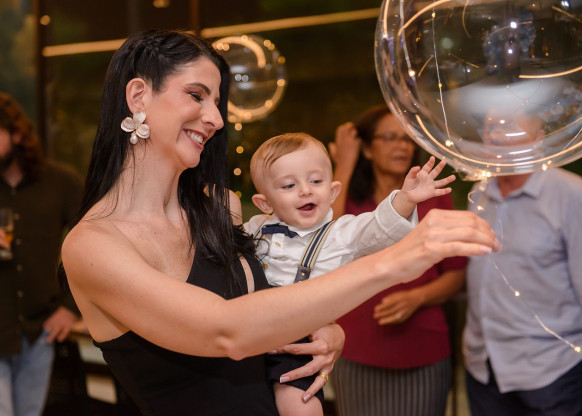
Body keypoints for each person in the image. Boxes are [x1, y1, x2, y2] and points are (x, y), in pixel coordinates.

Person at [60, 29, 500, 416]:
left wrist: (322, 330)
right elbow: (227, 331)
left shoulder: (220, 207)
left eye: (217, 102)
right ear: (139, 96)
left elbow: (270, 304)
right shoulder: (93, 245)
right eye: (196, 95)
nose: (215, 118)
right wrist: (395, 262)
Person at [244, 132, 454, 416]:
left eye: (315, 181)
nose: (305, 191)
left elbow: (379, 226)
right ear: (265, 203)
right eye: (289, 185)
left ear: (333, 192)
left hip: (296, 342)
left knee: (299, 405)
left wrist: (406, 199)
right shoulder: (254, 228)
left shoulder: (341, 234)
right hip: (248, 334)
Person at [328, 105, 468, 416]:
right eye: (390, 138)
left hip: (422, 348)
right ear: (367, 149)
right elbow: (325, 241)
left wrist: (417, 297)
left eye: (407, 139)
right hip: (356, 346)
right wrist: (345, 163)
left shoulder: (434, 197)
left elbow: (456, 275)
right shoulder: (351, 198)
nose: (402, 146)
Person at [463, 113, 582, 415]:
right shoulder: (479, 194)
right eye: (490, 126)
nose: (496, 135)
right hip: (482, 367)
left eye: (510, 125)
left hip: (552, 370)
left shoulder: (572, 194)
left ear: (540, 138)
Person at [0, 92, 83, 416]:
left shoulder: (60, 183)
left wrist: (71, 307)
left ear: (18, 134)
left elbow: (98, 247)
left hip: (39, 332)